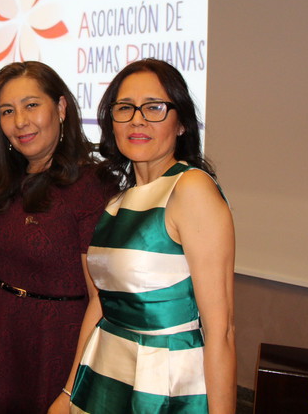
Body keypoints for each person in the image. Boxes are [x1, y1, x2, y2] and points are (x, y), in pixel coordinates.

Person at [69, 59, 236, 413]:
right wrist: (69, 392)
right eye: (125, 108)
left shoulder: (191, 188)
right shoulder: (117, 201)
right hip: (104, 375)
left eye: (154, 107)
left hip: (163, 385)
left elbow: (220, 331)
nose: (137, 120)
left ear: (181, 123)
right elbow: (101, 303)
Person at [0, 61, 119, 414]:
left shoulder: (92, 185)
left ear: (60, 107)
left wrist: (72, 390)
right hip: (4, 337)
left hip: (61, 345)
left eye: (31, 105)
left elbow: (101, 299)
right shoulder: (5, 183)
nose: (20, 122)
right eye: (7, 111)